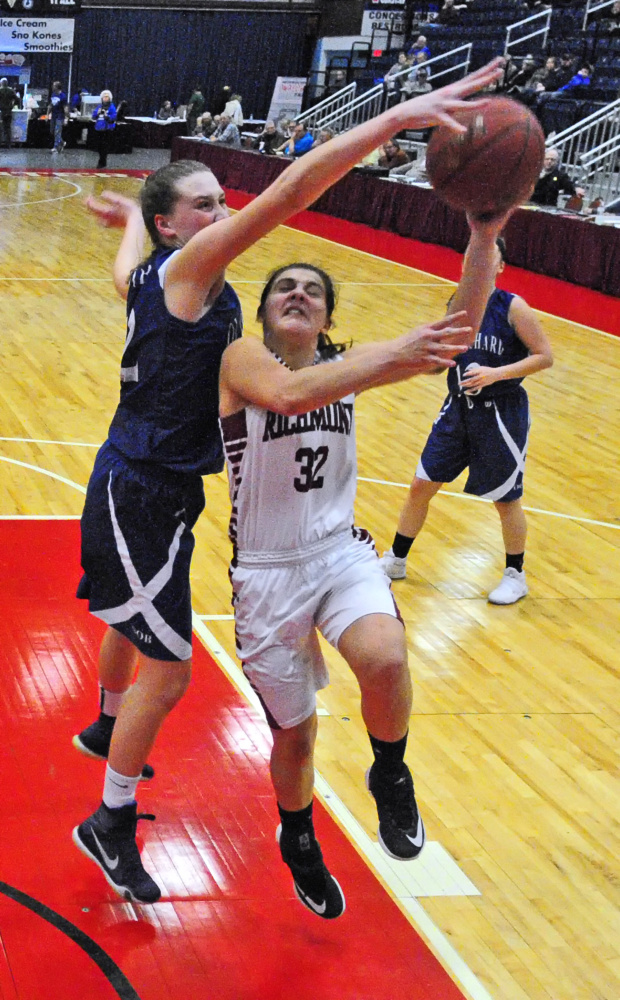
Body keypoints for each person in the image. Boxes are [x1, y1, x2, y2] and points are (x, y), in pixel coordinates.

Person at [70, 57, 504, 906]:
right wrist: (390, 121)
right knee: (173, 666)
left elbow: (129, 274)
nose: (226, 212)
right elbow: (288, 198)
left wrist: (484, 237)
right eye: (205, 205)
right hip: (146, 491)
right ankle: (110, 818)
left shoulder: (186, 287)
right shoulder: (211, 306)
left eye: (221, 205)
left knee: (140, 620)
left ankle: (105, 722)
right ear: (175, 228)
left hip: (232, 514)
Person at [218, 247, 495, 917]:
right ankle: (299, 835)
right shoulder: (241, 362)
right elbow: (289, 395)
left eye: (312, 289)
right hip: (265, 571)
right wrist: (392, 353)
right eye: (284, 284)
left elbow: (455, 335)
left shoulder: (349, 366)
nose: (297, 293)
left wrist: (484, 239)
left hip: (338, 552)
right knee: (297, 735)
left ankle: (390, 769)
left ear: (327, 315)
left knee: (385, 655)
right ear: (263, 310)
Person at [381, 231, 554, 605]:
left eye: (487, 258)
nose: (476, 264)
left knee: (505, 499)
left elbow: (544, 356)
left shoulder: (513, 307)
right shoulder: (459, 304)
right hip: (458, 409)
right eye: (472, 257)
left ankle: (515, 573)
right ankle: (395, 558)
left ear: (500, 266)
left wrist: (496, 373)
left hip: (501, 414)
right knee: (420, 486)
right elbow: (446, 351)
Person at [92, 90, 117, 169]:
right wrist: (97, 113)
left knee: (104, 146)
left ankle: (102, 162)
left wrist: (107, 116)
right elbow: (93, 116)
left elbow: (113, 117)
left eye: (107, 97)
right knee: (99, 146)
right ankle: (101, 160)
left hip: (107, 129)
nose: (105, 98)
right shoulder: (99, 106)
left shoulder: (112, 107)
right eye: (104, 97)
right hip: (99, 128)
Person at [47, 80, 67, 154]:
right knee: (52, 131)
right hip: (54, 115)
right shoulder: (53, 95)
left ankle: (55, 147)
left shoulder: (63, 96)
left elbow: (65, 107)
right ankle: (62, 142)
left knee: (57, 131)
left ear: (57, 87)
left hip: (60, 116)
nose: (52, 87)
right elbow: (50, 105)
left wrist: (66, 118)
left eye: (54, 86)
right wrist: (47, 114)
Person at [0, 77, 18, 148]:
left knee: (1, 127)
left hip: (2, 111)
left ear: (1, 83)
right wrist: (12, 105)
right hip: (9, 111)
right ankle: (8, 144)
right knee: (8, 128)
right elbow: (17, 99)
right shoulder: (11, 90)